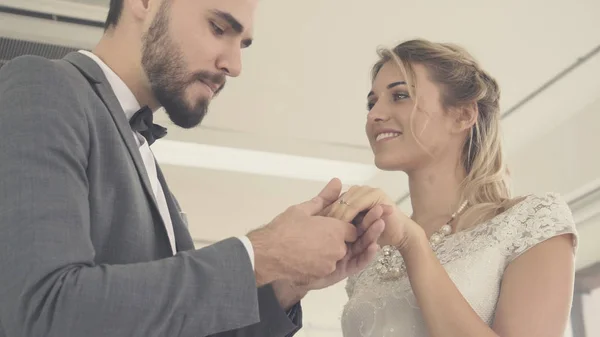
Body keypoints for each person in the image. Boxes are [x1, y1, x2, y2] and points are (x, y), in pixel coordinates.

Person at [0, 0, 385, 336]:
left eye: (242, 44)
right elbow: (42, 311)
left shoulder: (143, 152)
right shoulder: (44, 85)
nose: (234, 66)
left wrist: (286, 282)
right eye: (218, 28)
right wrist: (263, 254)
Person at [323, 39, 578, 337]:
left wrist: (413, 244)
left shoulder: (533, 221)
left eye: (400, 96)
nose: (374, 114)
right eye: (372, 102)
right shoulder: (373, 251)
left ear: (463, 116)